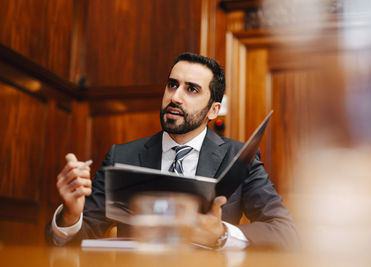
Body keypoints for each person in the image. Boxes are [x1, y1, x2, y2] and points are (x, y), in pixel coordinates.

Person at [45, 52, 298, 250]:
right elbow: (80, 238)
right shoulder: (121, 156)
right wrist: (71, 214)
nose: (175, 97)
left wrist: (221, 234)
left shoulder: (239, 157)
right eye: (172, 85)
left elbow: (285, 232)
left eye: (192, 89)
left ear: (213, 110)